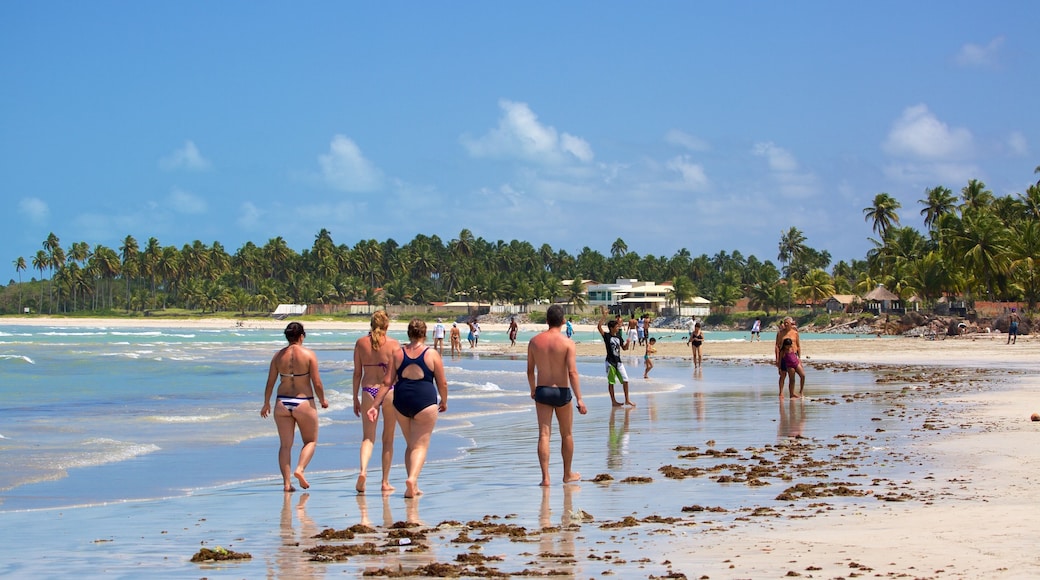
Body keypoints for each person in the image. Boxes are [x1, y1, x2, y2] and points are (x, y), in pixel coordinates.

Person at [369, 319, 448, 498]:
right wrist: (444, 400)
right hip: (425, 401)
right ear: (424, 333)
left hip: (401, 401)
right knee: (420, 446)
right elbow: (442, 382)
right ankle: (412, 479)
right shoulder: (432, 354)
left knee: (411, 445)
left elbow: (387, 382)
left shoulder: (397, 354)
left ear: (409, 333)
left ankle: (412, 486)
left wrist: (375, 405)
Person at [260, 322, 328, 492]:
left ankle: (286, 484)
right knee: (310, 441)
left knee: (285, 445)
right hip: (303, 401)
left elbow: (270, 382)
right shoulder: (308, 355)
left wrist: (266, 403)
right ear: (301, 336)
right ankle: (300, 469)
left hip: (282, 402)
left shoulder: (277, 356)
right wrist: (322, 400)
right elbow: (317, 382)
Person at [527, 304, 588, 486]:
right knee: (567, 434)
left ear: (547, 321)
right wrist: (580, 398)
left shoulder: (534, 342)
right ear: (563, 321)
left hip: (543, 390)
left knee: (544, 435)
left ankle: (545, 477)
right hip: (561, 391)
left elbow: (530, 371)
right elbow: (573, 373)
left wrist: (533, 389)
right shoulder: (568, 343)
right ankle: (567, 473)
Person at [352, 311, 400, 494]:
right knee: (387, 439)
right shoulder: (394, 345)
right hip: (389, 392)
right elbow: (398, 373)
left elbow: (357, 373)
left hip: (368, 391)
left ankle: (363, 471)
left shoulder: (360, 343)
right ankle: (385, 481)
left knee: (367, 437)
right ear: (387, 326)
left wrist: (354, 397)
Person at [597, 307, 634, 407]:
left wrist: (628, 343)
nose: (618, 328)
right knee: (611, 382)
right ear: (612, 328)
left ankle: (627, 400)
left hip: (619, 362)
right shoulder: (607, 336)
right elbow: (599, 327)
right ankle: (613, 401)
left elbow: (624, 348)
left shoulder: (618, 337)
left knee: (625, 380)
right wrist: (604, 316)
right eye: (617, 327)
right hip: (610, 362)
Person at [775, 316, 802, 383]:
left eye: (787, 323)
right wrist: (777, 358)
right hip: (784, 355)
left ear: (791, 323)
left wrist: (799, 357)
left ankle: (795, 392)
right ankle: (781, 392)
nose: (786, 324)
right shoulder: (780, 333)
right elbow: (777, 346)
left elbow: (798, 346)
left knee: (795, 375)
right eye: (785, 323)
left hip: (794, 355)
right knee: (783, 375)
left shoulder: (795, 333)